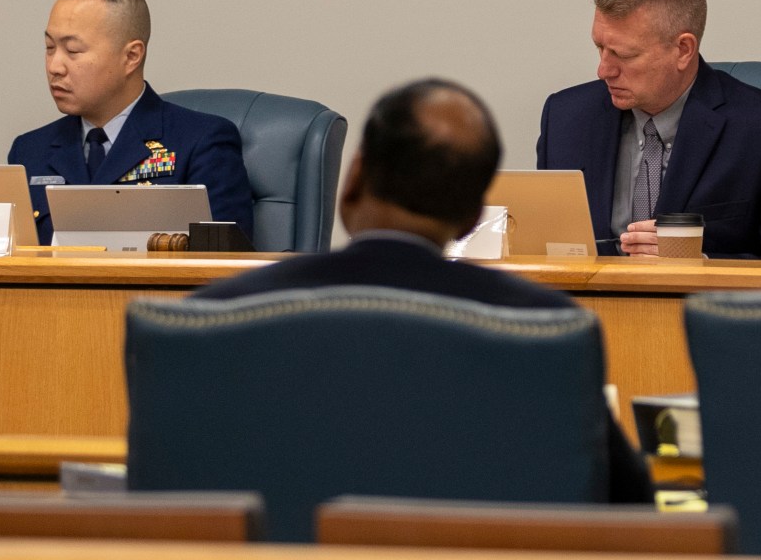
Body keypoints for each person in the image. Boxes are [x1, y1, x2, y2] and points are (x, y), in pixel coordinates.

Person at [192, 78, 654, 503]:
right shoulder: (546, 328)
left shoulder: (216, 315)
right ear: (474, 217)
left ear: (352, 181)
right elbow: (628, 504)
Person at [537, 0, 761, 258]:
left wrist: (701, 267)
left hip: (702, 304)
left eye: (625, 55)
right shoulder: (565, 119)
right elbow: (541, 250)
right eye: (600, 48)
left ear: (683, 50)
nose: (604, 70)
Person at [7, 0, 252, 246]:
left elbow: (226, 263)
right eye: (49, 47)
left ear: (131, 56)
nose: (54, 67)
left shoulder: (200, 142)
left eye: (73, 51)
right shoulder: (29, 151)